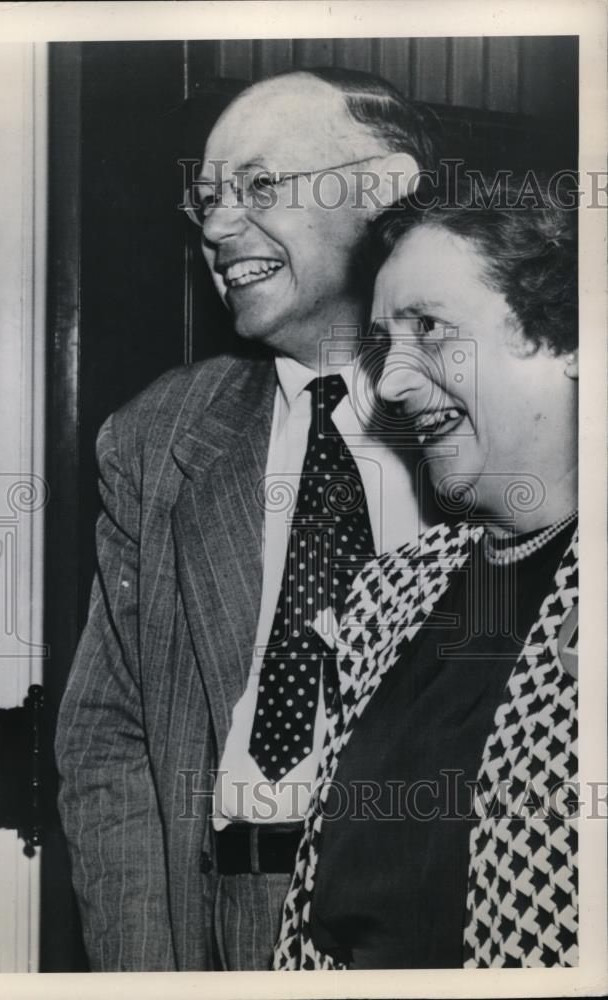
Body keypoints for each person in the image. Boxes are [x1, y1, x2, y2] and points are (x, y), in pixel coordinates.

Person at [54, 67, 437, 971]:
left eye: (261, 186)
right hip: (227, 916)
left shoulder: (509, 416)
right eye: (209, 202)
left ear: (385, 191)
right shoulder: (159, 436)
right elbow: (110, 741)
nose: (218, 229)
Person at [274, 177, 579, 969]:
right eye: (385, 347)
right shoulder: (391, 593)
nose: (396, 384)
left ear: (571, 336)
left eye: (433, 330)